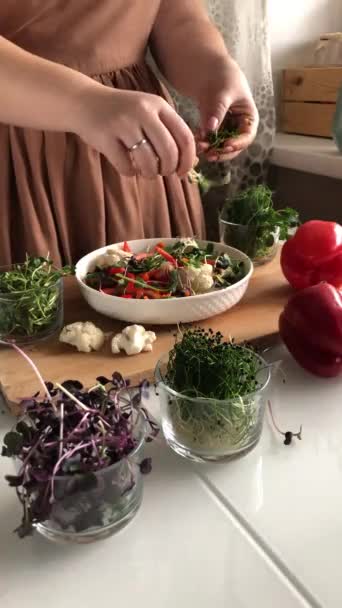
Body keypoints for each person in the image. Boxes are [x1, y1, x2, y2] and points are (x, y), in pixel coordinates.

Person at [0, 1, 259, 266]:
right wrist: (84, 102)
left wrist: (214, 70)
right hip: (15, 152)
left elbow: (175, 15)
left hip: (139, 152)